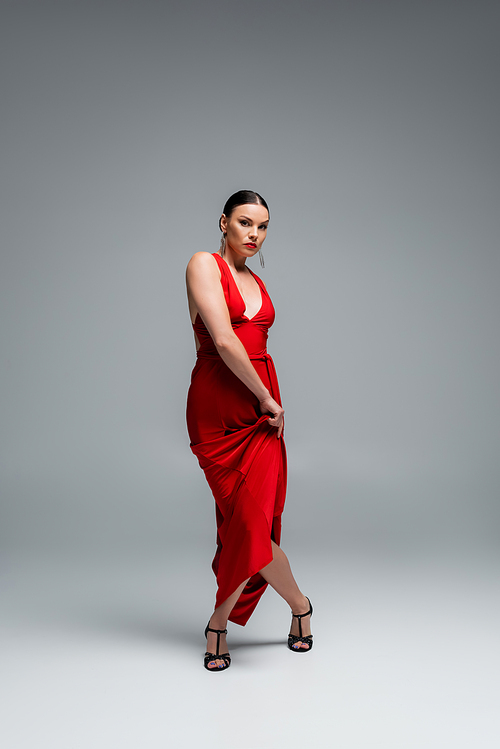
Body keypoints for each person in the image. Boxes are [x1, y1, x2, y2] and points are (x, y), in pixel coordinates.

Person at [186, 190, 313, 671]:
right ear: (223, 223)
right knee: (245, 524)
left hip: (262, 412)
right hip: (222, 409)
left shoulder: (255, 279)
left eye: (262, 227)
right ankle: (300, 605)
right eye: (244, 223)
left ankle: (218, 624)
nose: (254, 235)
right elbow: (221, 338)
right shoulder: (203, 265)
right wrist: (265, 397)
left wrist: (266, 400)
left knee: (252, 523)